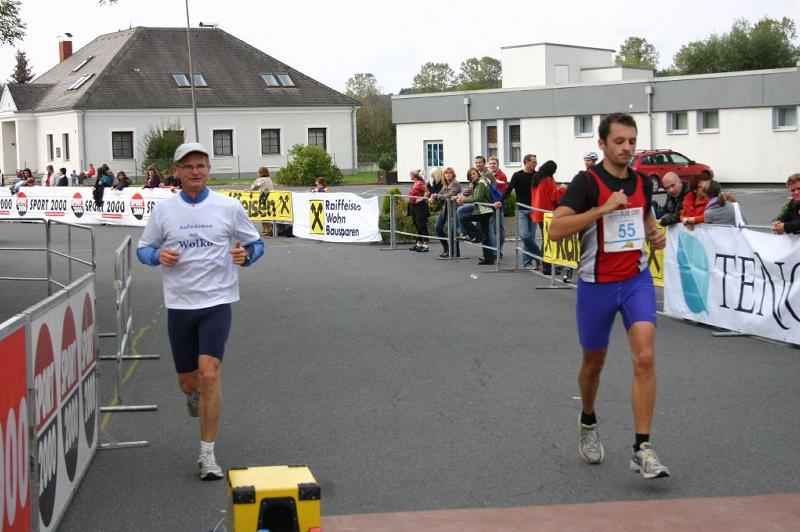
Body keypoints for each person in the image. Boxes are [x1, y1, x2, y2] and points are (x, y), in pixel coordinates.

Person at [549, 112, 670, 480]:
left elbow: (645, 222)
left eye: (631, 141)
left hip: (635, 281)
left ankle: (642, 448)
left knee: (645, 357)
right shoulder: (586, 182)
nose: (627, 148)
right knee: (593, 365)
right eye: (619, 141)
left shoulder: (642, 182)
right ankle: (588, 420)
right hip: (596, 285)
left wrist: (655, 234)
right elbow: (556, 230)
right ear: (602, 144)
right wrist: (602, 209)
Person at [136, 142, 264, 480]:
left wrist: (247, 257)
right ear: (176, 171)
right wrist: (157, 256)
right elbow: (143, 249)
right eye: (188, 166)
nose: (196, 171)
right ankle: (193, 395)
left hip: (217, 301)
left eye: (201, 165)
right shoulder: (164, 210)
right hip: (180, 304)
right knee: (188, 381)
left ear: (209, 170)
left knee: (210, 375)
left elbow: (256, 243)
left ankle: (207, 454)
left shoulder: (228, 207)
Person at [495, 154, 538, 269]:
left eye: (536, 162)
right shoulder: (517, 175)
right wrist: (500, 201)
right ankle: (539, 255)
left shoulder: (537, 175)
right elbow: (509, 189)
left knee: (531, 238)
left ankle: (527, 263)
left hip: (534, 210)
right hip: (521, 211)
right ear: (527, 162)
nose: (536, 164)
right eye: (534, 162)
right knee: (525, 236)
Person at [457, 167, 495, 265]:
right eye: (470, 175)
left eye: (474, 173)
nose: (472, 176)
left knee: (463, 219)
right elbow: (474, 196)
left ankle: (477, 236)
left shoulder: (481, 182)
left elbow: (478, 198)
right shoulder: (476, 183)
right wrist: (460, 197)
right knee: (485, 235)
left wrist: (464, 200)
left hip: (485, 210)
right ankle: (489, 258)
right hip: (482, 210)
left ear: (477, 173)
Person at [530, 160, 559, 275]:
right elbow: (554, 197)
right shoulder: (549, 180)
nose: (555, 172)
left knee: (545, 238)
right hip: (547, 212)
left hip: (538, 212)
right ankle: (547, 266)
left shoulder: (536, 178)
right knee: (548, 240)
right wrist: (562, 189)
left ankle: (546, 265)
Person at [429, 167, 462, 258]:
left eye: (449, 173)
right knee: (438, 227)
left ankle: (455, 252)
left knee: (452, 230)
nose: (448, 175)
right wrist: (435, 196)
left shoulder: (456, 184)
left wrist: (436, 196)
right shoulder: (445, 184)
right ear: (443, 175)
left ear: (453, 174)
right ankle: (447, 249)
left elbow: (449, 195)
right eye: (446, 173)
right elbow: (440, 193)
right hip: (445, 208)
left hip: (455, 209)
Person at [487, 156, 507, 259]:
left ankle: (498, 250)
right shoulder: (487, 175)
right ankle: (494, 250)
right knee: (491, 229)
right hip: (489, 205)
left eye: (494, 163)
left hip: (498, 206)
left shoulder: (501, 176)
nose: (492, 165)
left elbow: (502, 192)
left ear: (498, 164)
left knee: (499, 229)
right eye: (490, 163)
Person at [407, 170, 430, 252]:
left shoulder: (421, 183)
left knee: (422, 225)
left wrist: (421, 199)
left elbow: (427, 192)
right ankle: (419, 243)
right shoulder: (414, 183)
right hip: (413, 207)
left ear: (414, 176)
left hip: (420, 207)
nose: (410, 176)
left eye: (411, 174)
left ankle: (426, 245)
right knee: (417, 225)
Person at [250, 166, 274, 235]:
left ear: (260, 173)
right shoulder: (268, 179)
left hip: (264, 198)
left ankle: (267, 230)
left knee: (264, 214)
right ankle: (265, 229)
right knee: (265, 214)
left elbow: (254, 187)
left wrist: (256, 180)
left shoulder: (262, 180)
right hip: (269, 198)